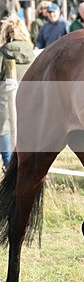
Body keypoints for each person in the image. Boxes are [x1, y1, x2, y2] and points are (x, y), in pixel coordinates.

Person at [0, 16, 34, 169]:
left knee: (8, 157)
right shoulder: (33, 55)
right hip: (30, 110)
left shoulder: (2, 54)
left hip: (5, 111)